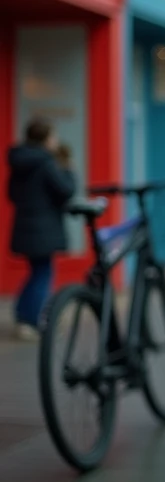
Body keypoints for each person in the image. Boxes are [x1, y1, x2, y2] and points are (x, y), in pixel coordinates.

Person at [6, 118, 77, 342]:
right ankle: (34, 320)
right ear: (45, 139)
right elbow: (65, 190)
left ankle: (22, 318)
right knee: (43, 274)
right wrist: (69, 171)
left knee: (36, 272)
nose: (56, 141)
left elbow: (11, 194)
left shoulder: (18, 162)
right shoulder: (47, 163)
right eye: (53, 137)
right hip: (44, 228)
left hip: (24, 225)